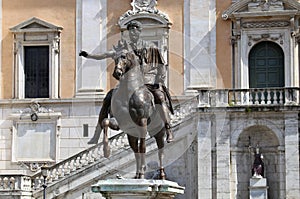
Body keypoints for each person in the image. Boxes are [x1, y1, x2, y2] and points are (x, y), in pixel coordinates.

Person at [79, 20, 174, 144]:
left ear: (139, 32)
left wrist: (159, 79)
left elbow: (161, 65)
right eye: (131, 30)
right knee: (108, 98)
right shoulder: (125, 48)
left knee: (160, 97)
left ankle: (168, 129)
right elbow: (105, 55)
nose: (133, 32)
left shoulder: (150, 46)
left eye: (135, 30)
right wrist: (89, 56)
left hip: (148, 81)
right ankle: (97, 133)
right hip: (130, 82)